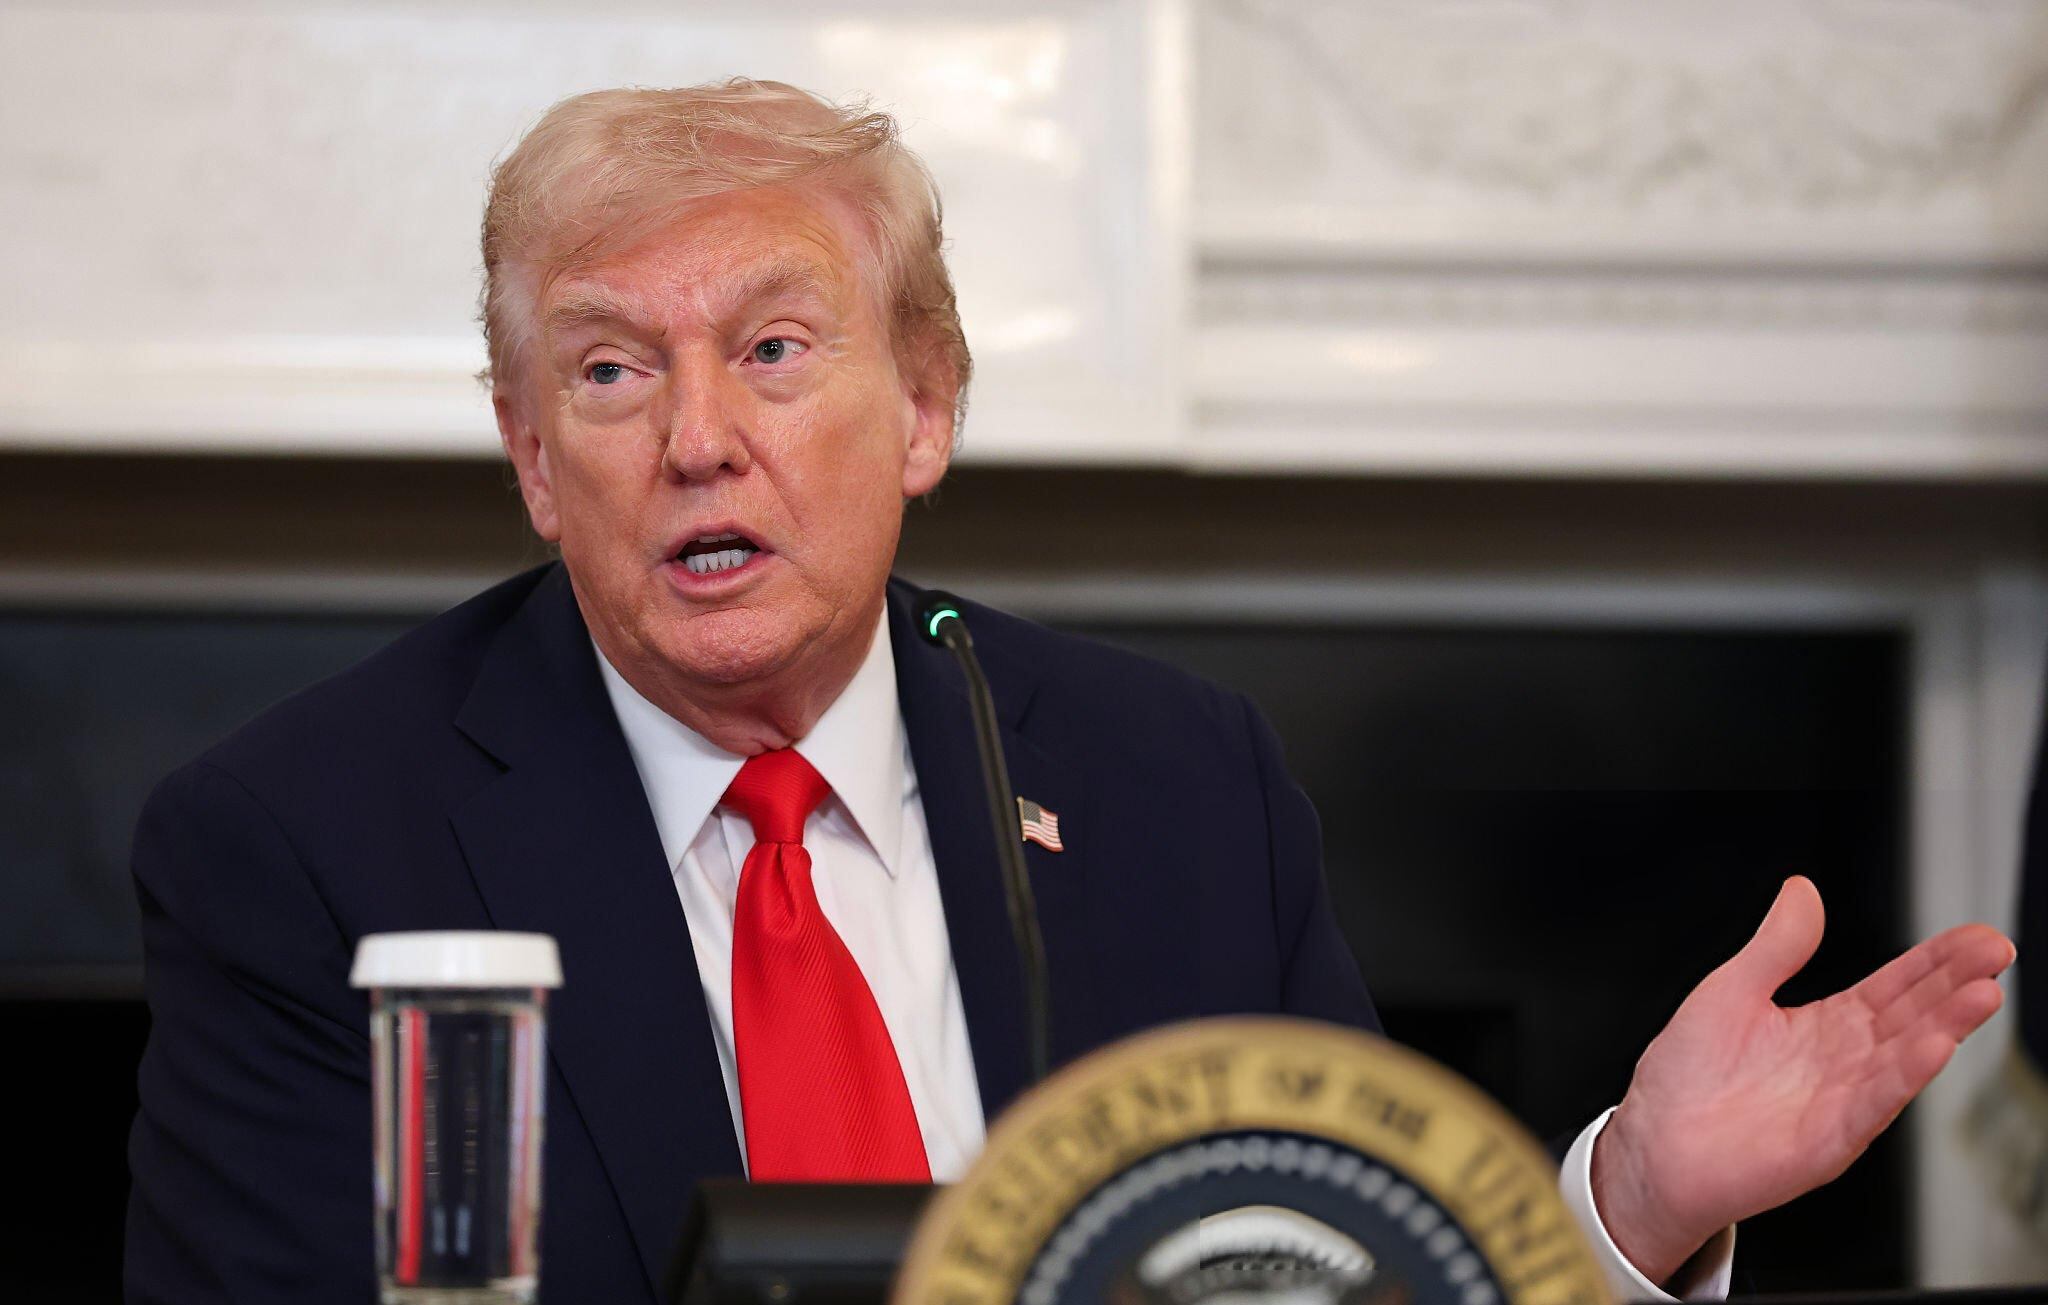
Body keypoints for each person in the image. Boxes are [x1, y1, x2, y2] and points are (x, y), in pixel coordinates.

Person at [123, 79, 2015, 1304]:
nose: (698, 438)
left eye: (775, 350)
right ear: (535, 460)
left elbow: (1319, 1279)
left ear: (925, 405)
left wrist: (1631, 1204)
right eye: (611, 375)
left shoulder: (1173, 781)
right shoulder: (308, 842)